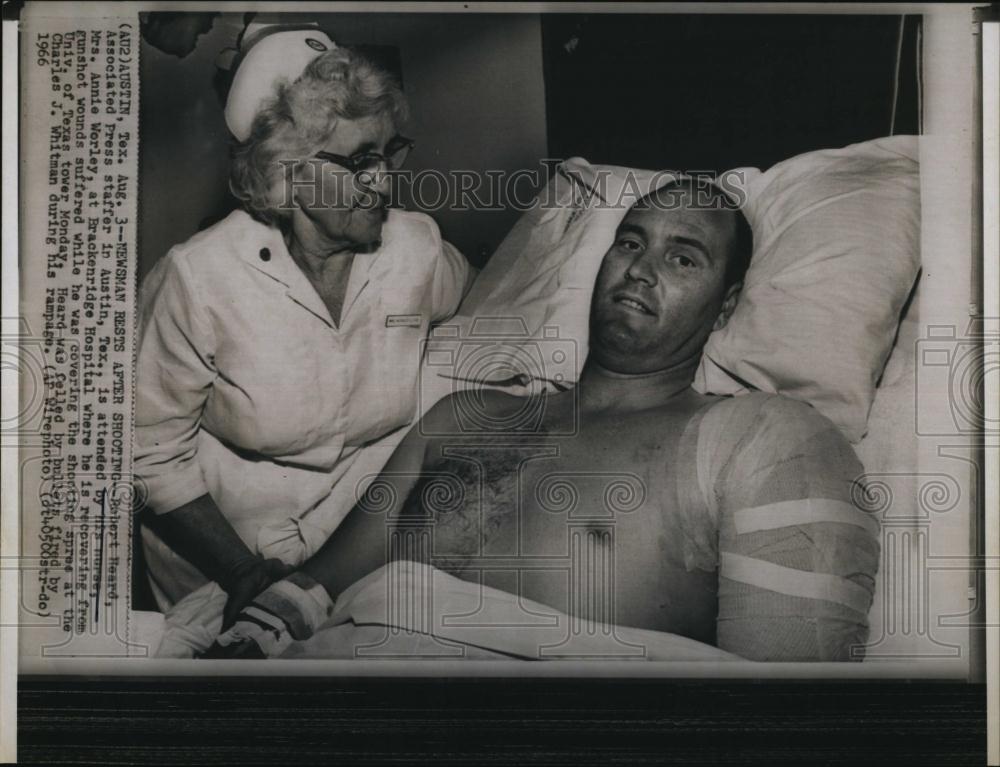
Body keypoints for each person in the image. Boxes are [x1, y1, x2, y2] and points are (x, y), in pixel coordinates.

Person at [205, 179, 881, 662]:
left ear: (727, 304)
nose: (642, 270)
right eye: (630, 243)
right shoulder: (462, 417)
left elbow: (787, 713)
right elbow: (311, 589)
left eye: (683, 257)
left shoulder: (764, 440)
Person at [135, 27, 473, 620]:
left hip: (358, 530)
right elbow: (150, 452)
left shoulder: (414, 248)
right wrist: (242, 571)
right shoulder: (198, 279)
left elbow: (479, 293)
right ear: (286, 174)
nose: (384, 180)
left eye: (389, 153)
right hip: (227, 549)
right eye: (360, 161)